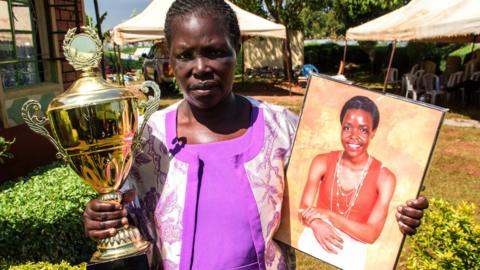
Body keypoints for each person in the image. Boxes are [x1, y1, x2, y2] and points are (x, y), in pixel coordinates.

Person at [83, 1, 427, 269]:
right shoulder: (147, 139)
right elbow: (124, 212)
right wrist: (104, 218)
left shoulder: (283, 128)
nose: (200, 67)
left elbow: (336, 196)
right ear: (170, 59)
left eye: (216, 51)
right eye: (185, 55)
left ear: (238, 50)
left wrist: (399, 210)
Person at [298, 96, 397, 269]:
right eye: (347, 127)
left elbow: (371, 234)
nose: (353, 136)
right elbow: (303, 208)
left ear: (373, 132)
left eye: (364, 130)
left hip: (351, 254)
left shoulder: (385, 178)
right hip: (313, 241)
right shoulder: (322, 161)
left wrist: (330, 216)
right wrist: (316, 223)